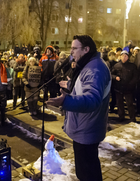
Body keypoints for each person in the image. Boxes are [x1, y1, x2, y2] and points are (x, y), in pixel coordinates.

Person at [47, 35, 111, 181]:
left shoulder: (95, 69)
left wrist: (65, 101)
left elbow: (92, 99)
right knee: (87, 170)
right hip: (85, 128)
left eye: (75, 48)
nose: (71, 52)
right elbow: (86, 88)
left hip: (87, 130)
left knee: (87, 173)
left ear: (86, 49)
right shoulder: (90, 65)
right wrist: (71, 86)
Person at [111, 50, 138, 122]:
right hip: (118, 88)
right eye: (122, 55)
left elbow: (135, 77)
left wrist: (130, 84)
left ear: (128, 57)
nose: (124, 57)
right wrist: (115, 77)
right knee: (119, 103)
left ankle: (132, 118)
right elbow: (111, 74)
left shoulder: (132, 66)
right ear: (120, 56)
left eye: (125, 56)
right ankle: (121, 116)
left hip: (128, 88)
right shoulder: (117, 65)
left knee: (129, 104)